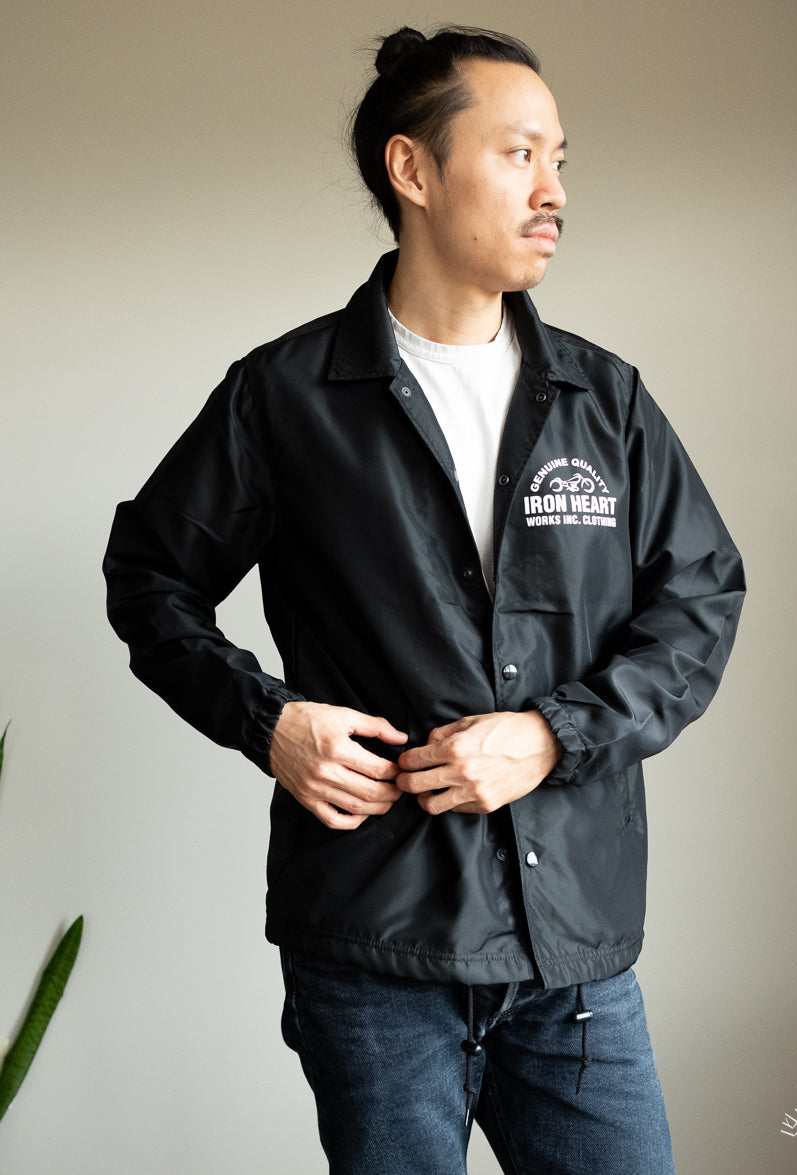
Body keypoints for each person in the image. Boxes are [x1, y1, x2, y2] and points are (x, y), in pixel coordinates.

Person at [104, 24, 745, 1175]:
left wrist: (554, 734)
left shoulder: (605, 400)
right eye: (518, 153)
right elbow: (152, 578)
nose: (553, 192)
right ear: (413, 168)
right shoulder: (286, 398)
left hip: (573, 958)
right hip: (375, 951)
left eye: (559, 159)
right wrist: (269, 720)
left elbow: (699, 598)